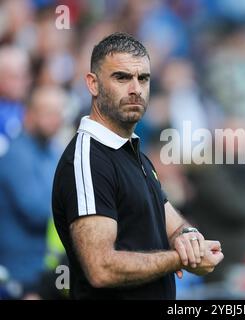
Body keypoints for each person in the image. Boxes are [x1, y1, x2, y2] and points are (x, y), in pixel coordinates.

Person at [52, 32, 223, 300]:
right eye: (121, 77)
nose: (135, 88)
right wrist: (179, 259)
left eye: (143, 78)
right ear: (93, 84)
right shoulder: (86, 158)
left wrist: (189, 238)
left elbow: (173, 224)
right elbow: (101, 268)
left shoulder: (135, 153)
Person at [0, 85, 65, 295]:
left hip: (46, 269)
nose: (55, 119)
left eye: (58, 112)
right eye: (48, 112)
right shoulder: (15, 156)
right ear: (28, 114)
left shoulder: (52, 151)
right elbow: (37, 210)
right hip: (20, 273)